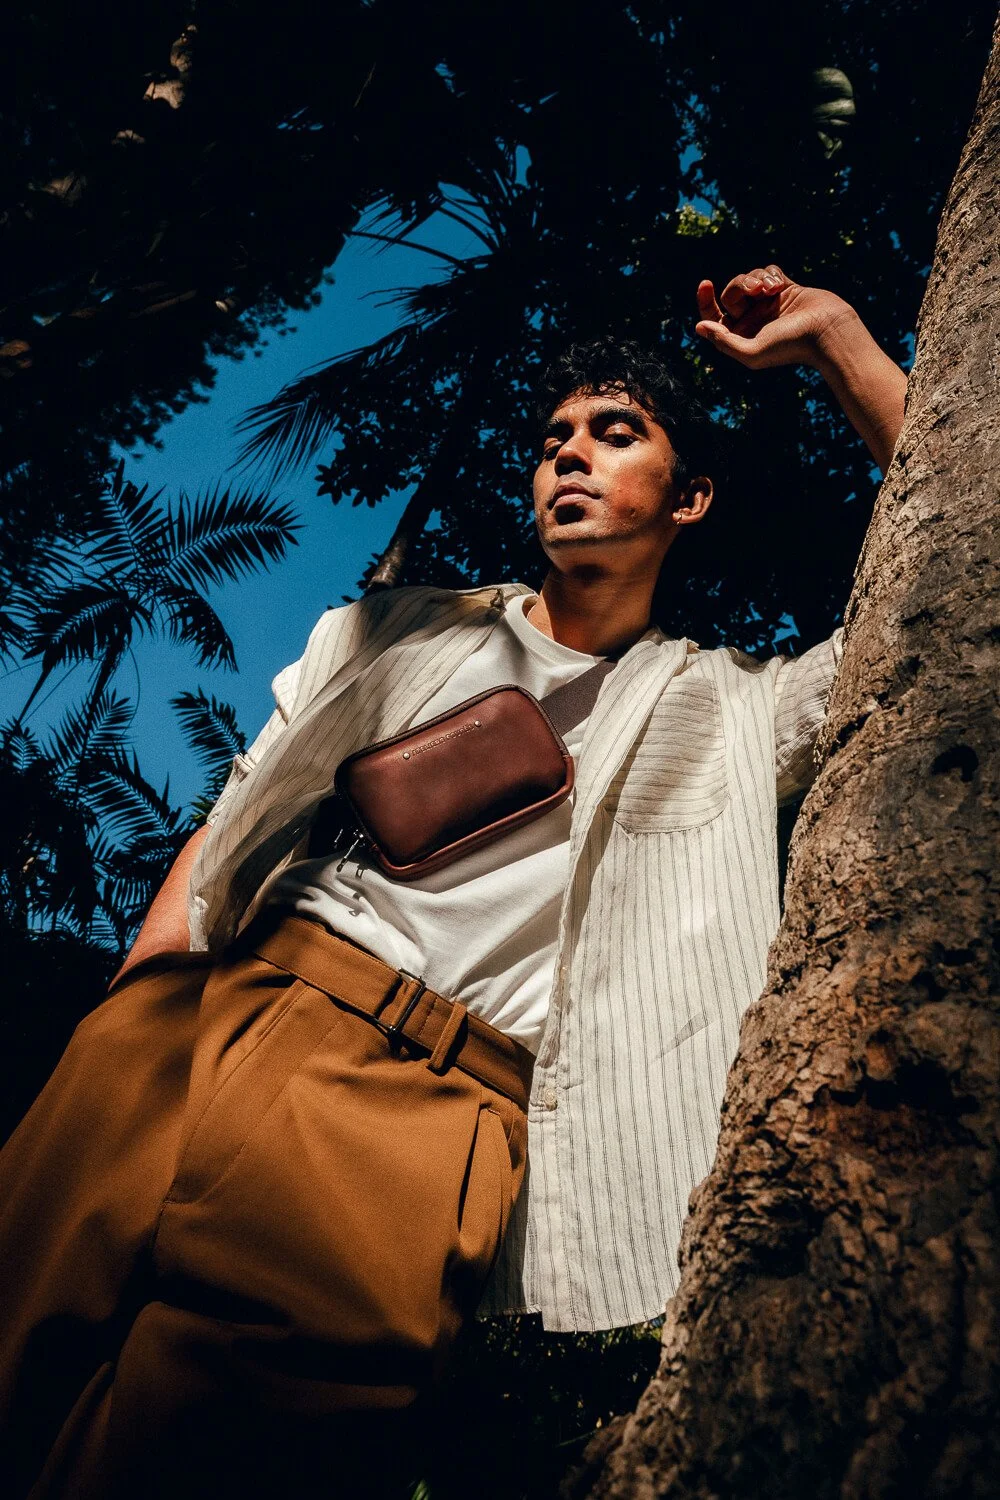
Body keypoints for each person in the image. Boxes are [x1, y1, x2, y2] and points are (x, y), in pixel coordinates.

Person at [0, 265, 907, 1497]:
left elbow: (958, 545)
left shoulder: (739, 708)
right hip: (211, 1016)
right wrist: (139, 998)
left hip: (431, 1112)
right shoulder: (399, 628)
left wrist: (836, 338)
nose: (568, 455)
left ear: (689, 496)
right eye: (552, 439)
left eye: (615, 433)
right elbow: (244, 809)